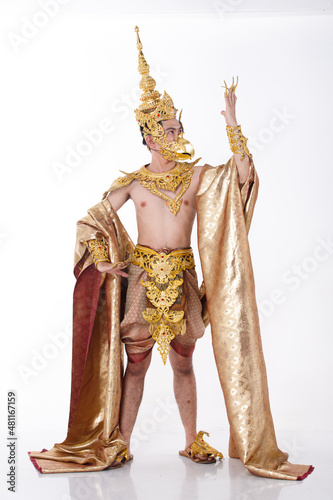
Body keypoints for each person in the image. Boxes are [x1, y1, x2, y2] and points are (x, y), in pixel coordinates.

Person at [28, 27, 314, 480]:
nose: (177, 133)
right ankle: (119, 443)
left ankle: (191, 440)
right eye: (168, 128)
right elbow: (93, 217)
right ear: (149, 135)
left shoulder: (197, 177)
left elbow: (241, 177)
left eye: (179, 127)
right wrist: (102, 259)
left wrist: (233, 124)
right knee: (136, 366)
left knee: (184, 362)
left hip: (182, 279)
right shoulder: (133, 182)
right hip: (142, 280)